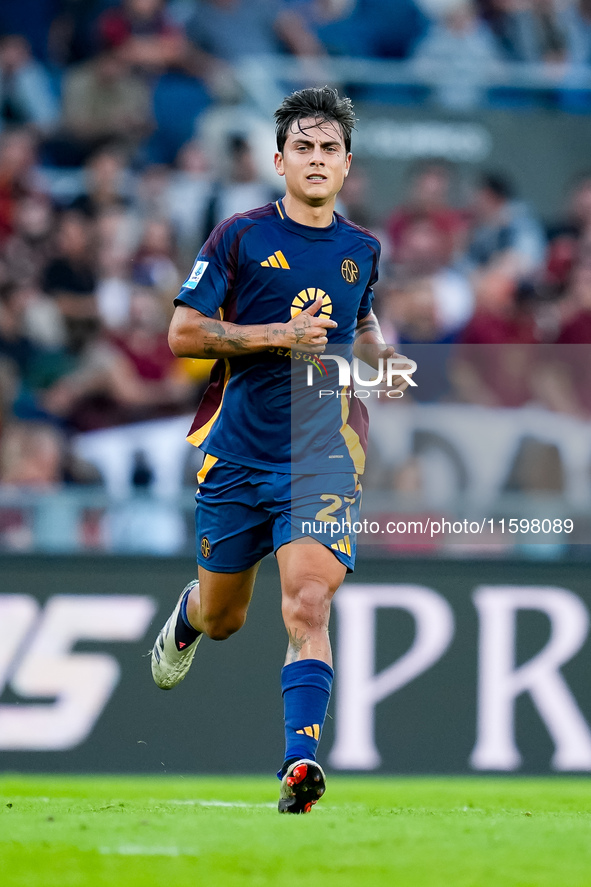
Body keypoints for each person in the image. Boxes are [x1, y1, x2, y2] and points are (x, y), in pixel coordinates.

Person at [150, 87, 411, 813]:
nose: (317, 158)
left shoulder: (362, 249)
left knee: (308, 602)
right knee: (224, 618)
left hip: (318, 453)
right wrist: (273, 336)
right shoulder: (236, 236)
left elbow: (358, 325)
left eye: (329, 148)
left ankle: (299, 764)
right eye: (304, 147)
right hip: (237, 453)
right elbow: (182, 335)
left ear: (348, 164)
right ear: (279, 160)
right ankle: (188, 614)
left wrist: (380, 356)